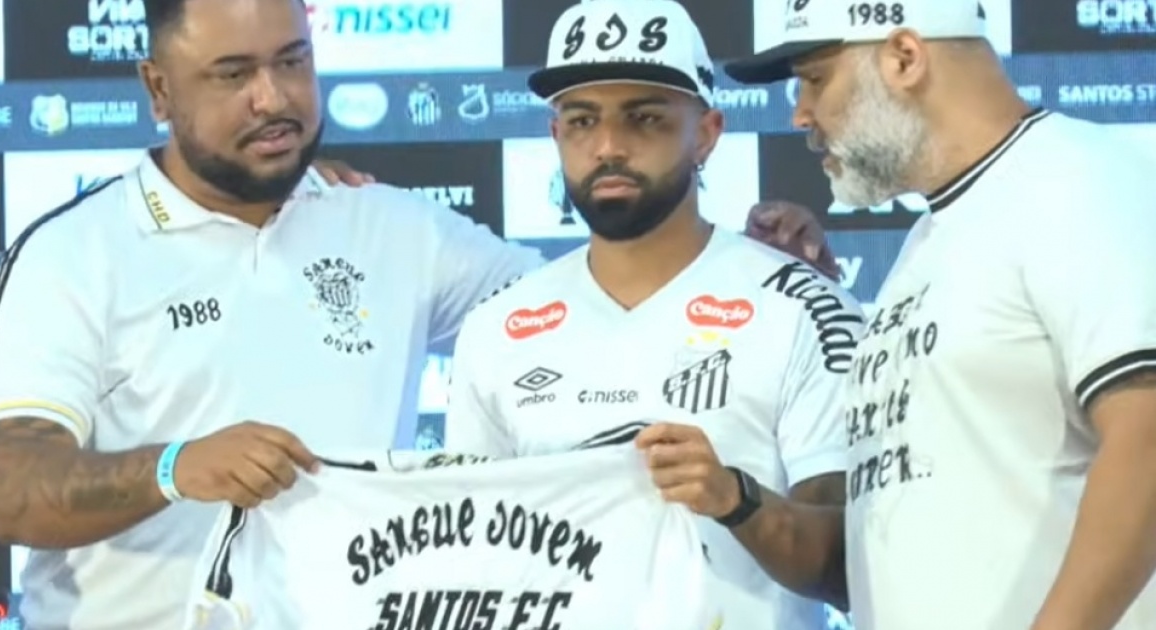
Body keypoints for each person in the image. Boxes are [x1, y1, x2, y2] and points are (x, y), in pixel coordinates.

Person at [0, 0, 548, 627]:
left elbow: (582, 311)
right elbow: (14, 494)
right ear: (158, 89)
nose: (272, 98)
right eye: (233, 74)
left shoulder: (394, 227)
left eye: (292, 62)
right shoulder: (71, 255)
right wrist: (175, 468)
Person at [723, 0, 1156, 628]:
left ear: (905, 58)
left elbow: (1147, 436)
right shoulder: (928, 241)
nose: (800, 114)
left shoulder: (1075, 178)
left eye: (816, 79)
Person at [442, 0, 862, 627]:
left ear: (707, 133)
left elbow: (850, 565)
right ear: (556, 137)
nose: (609, 146)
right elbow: (464, 557)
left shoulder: (804, 307)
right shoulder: (496, 328)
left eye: (645, 118)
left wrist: (734, 498)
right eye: (582, 121)